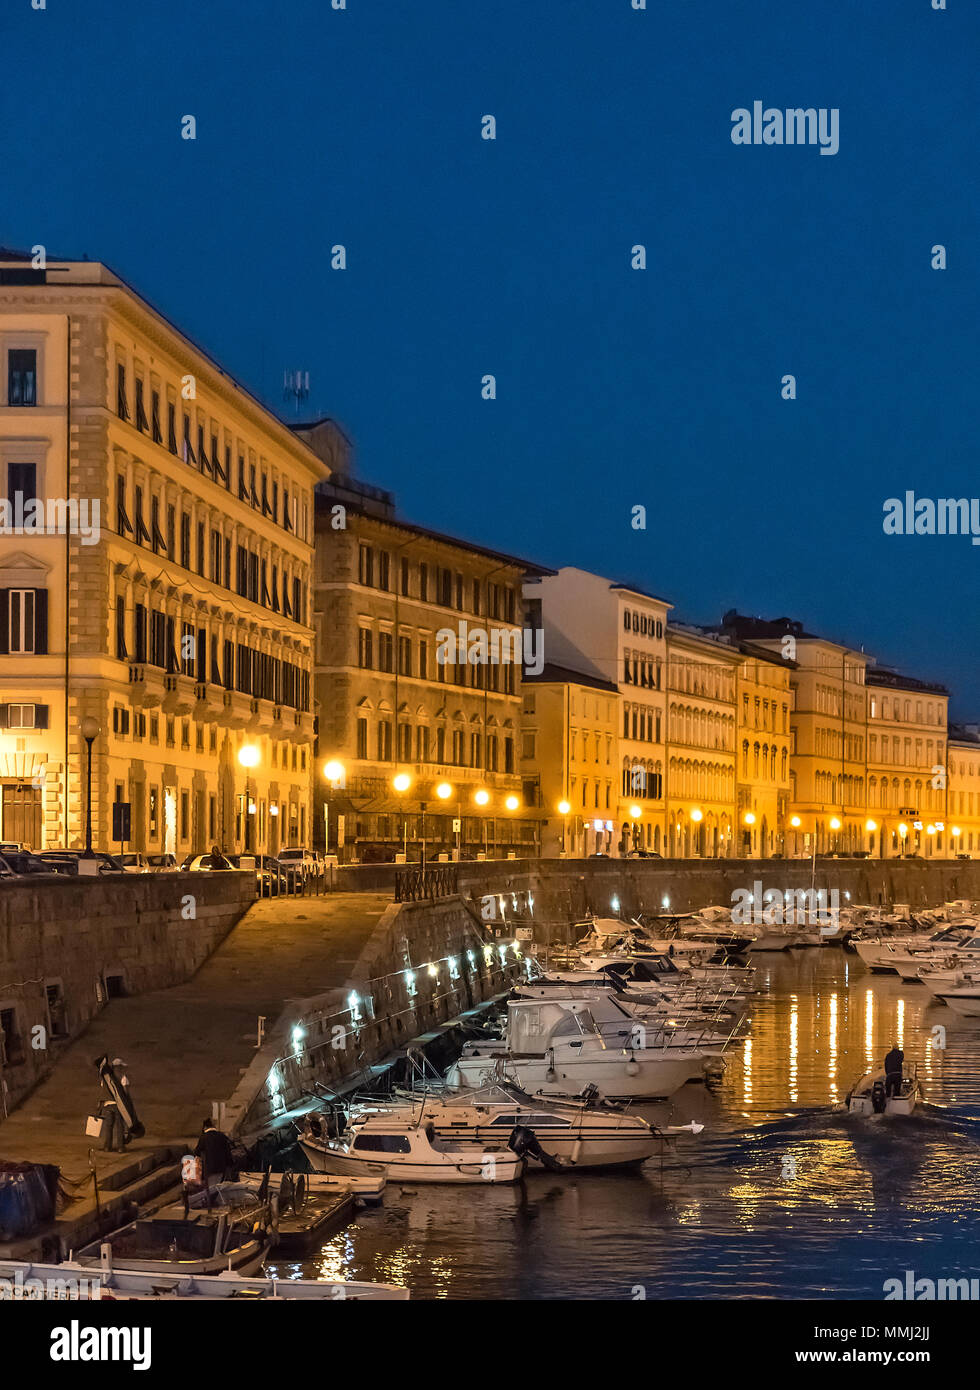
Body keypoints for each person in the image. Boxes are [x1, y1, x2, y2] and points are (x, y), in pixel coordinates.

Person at [195, 1118, 236, 1183]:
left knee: (212, 1186)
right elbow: (228, 1152)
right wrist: (230, 1165)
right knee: (218, 1185)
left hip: (209, 1168)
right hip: (221, 1167)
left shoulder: (204, 1137)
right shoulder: (222, 1136)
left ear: (205, 1127)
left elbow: (197, 1152)